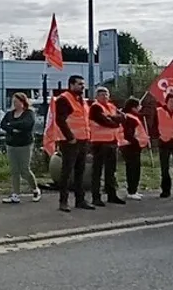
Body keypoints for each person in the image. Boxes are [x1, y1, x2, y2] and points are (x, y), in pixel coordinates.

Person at [51, 75, 93, 212]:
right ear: (71, 85)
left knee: (80, 172)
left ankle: (80, 200)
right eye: (79, 84)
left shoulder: (82, 101)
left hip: (83, 140)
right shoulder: (64, 99)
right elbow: (60, 120)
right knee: (67, 172)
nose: (82, 86)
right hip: (70, 142)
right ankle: (63, 201)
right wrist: (70, 137)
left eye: (83, 84)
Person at [0, 92, 39, 204]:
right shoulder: (9, 114)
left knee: (24, 169)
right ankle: (16, 194)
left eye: (17, 102)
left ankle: (35, 189)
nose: (15, 104)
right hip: (12, 144)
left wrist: (11, 124)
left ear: (23, 102)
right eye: (14, 102)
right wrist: (12, 129)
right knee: (14, 170)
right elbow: (3, 124)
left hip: (25, 145)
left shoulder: (29, 113)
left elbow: (27, 124)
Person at [88, 87, 125, 206]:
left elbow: (123, 118)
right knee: (97, 171)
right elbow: (104, 121)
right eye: (102, 95)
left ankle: (111, 194)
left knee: (111, 171)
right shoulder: (95, 107)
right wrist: (115, 121)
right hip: (99, 142)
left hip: (112, 142)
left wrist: (113, 119)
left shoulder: (111, 106)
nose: (104, 97)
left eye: (106, 94)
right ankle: (96, 197)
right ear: (97, 97)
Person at [119, 97, 149, 201]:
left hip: (132, 146)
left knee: (134, 169)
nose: (140, 108)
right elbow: (129, 134)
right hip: (131, 147)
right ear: (133, 108)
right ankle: (131, 191)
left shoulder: (131, 117)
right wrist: (137, 142)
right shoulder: (130, 118)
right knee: (133, 170)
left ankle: (133, 190)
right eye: (138, 106)